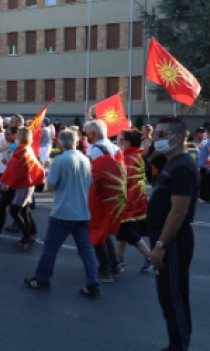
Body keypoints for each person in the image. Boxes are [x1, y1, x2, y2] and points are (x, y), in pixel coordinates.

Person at [24, 129, 101, 298]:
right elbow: (89, 183)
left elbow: (50, 185)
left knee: (50, 249)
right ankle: (93, 282)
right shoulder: (86, 160)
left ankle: (42, 278)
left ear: (59, 143)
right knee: (86, 250)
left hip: (63, 212)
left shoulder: (59, 160)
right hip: (82, 211)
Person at [145, 117, 199, 351]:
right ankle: (176, 343)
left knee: (174, 296)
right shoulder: (170, 163)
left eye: (161, 134)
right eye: (156, 133)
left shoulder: (183, 167)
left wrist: (160, 244)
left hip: (172, 241)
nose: (155, 139)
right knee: (166, 296)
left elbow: (178, 211)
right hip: (164, 237)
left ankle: (179, 345)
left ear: (178, 138)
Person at [83, 119, 125, 283]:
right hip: (114, 196)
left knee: (96, 231)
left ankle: (105, 269)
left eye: (87, 132)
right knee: (104, 230)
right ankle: (114, 264)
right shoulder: (115, 147)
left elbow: (91, 175)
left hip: (99, 196)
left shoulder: (94, 149)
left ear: (92, 134)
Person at [0, 127, 44, 250]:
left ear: (21, 136)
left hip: (23, 185)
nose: (16, 135)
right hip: (26, 184)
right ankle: (29, 235)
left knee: (15, 211)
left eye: (18, 134)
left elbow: (15, 170)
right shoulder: (27, 149)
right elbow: (16, 167)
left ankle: (27, 237)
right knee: (24, 211)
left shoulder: (21, 150)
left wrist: (7, 183)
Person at [116, 129, 153, 272]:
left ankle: (149, 256)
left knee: (125, 230)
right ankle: (119, 258)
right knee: (123, 229)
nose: (119, 142)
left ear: (128, 142)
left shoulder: (129, 158)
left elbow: (123, 181)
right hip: (135, 198)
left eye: (121, 140)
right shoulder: (135, 154)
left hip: (128, 199)